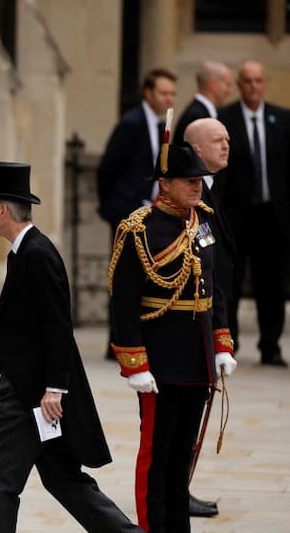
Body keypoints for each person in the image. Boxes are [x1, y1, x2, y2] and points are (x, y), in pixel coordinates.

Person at [0, 161, 140, 533]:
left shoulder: (37, 254)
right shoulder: (23, 251)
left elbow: (58, 326)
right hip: (33, 387)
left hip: (31, 393)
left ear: (1, 209)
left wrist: (54, 389)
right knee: (62, 477)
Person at [109, 143, 238, 532]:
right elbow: (124, 302)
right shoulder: (139, 229)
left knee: (184, 454)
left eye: (200, 180)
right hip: (160, 359)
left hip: (196, 357)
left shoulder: (202, 222)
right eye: (189, 181)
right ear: (165, 184)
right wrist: (135, 362)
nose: (197, 187)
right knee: (157, 453)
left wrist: (221, 345)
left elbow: (213, 290)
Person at [98, 68, 177, 360]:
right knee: (122, 277)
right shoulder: (131, 124)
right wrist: (111, 208)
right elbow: (108, 168)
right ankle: (116, 339)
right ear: (148, 93)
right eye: (163, 93)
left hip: (150, 212)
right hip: (126, 212)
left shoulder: (161, 125)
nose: (169, 98)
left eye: (172, 93)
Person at [217, 59, 290, 367]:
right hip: (237, 217)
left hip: (273, 216)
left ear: (265, 83)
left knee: (272, 284)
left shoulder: (282, 119)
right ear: (239, 84)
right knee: (231, 282)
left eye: (258, 81)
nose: (253, 87)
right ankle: (229, 343)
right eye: (247, 81)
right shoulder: (225, 119)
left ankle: (270, 345)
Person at [181, 117, 235, 518]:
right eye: (218, 140)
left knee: (196, 410)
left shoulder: (216, 190)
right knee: (181, 420)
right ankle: (175, 490)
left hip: (211, 318)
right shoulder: (187, 200)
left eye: (228, 139)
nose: (226, 144)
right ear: (196, 150)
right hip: (189, 327)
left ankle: (181, 486)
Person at [172, 61, 233, 145]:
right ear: (213, 85)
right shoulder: (197, 117)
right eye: (227, 84)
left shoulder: (201, 112)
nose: (229, 91)